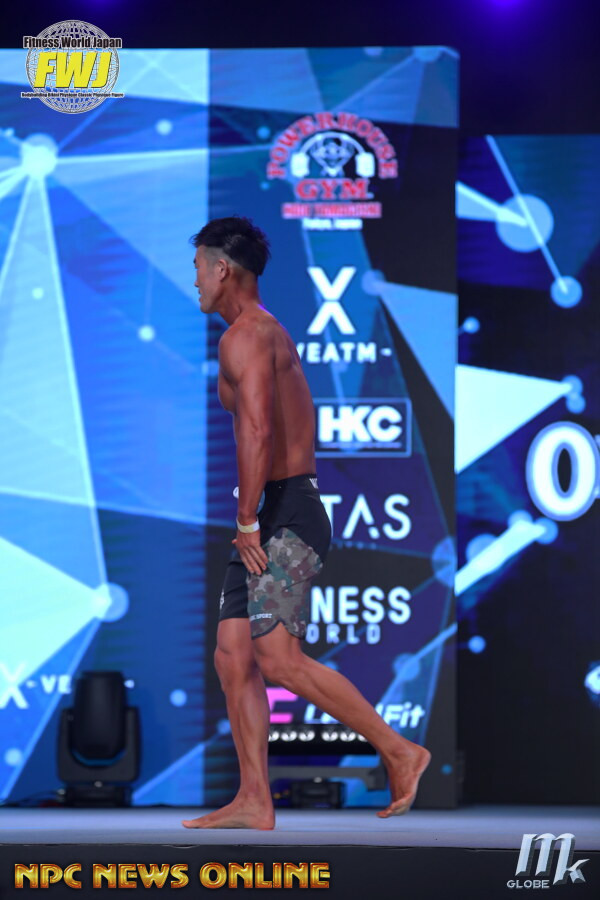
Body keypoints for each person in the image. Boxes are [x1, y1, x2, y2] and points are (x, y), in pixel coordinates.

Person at [181, 216, 431, 830]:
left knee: (278, 659)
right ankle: (254, 798)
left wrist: (247, 520)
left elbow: (259, 430)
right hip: (271, 511)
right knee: (232, 655)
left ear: (222, 269)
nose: (195, 281)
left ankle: (400, 750)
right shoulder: (259, 333)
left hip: (284, 513)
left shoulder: (246, 335)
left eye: (198, 269)